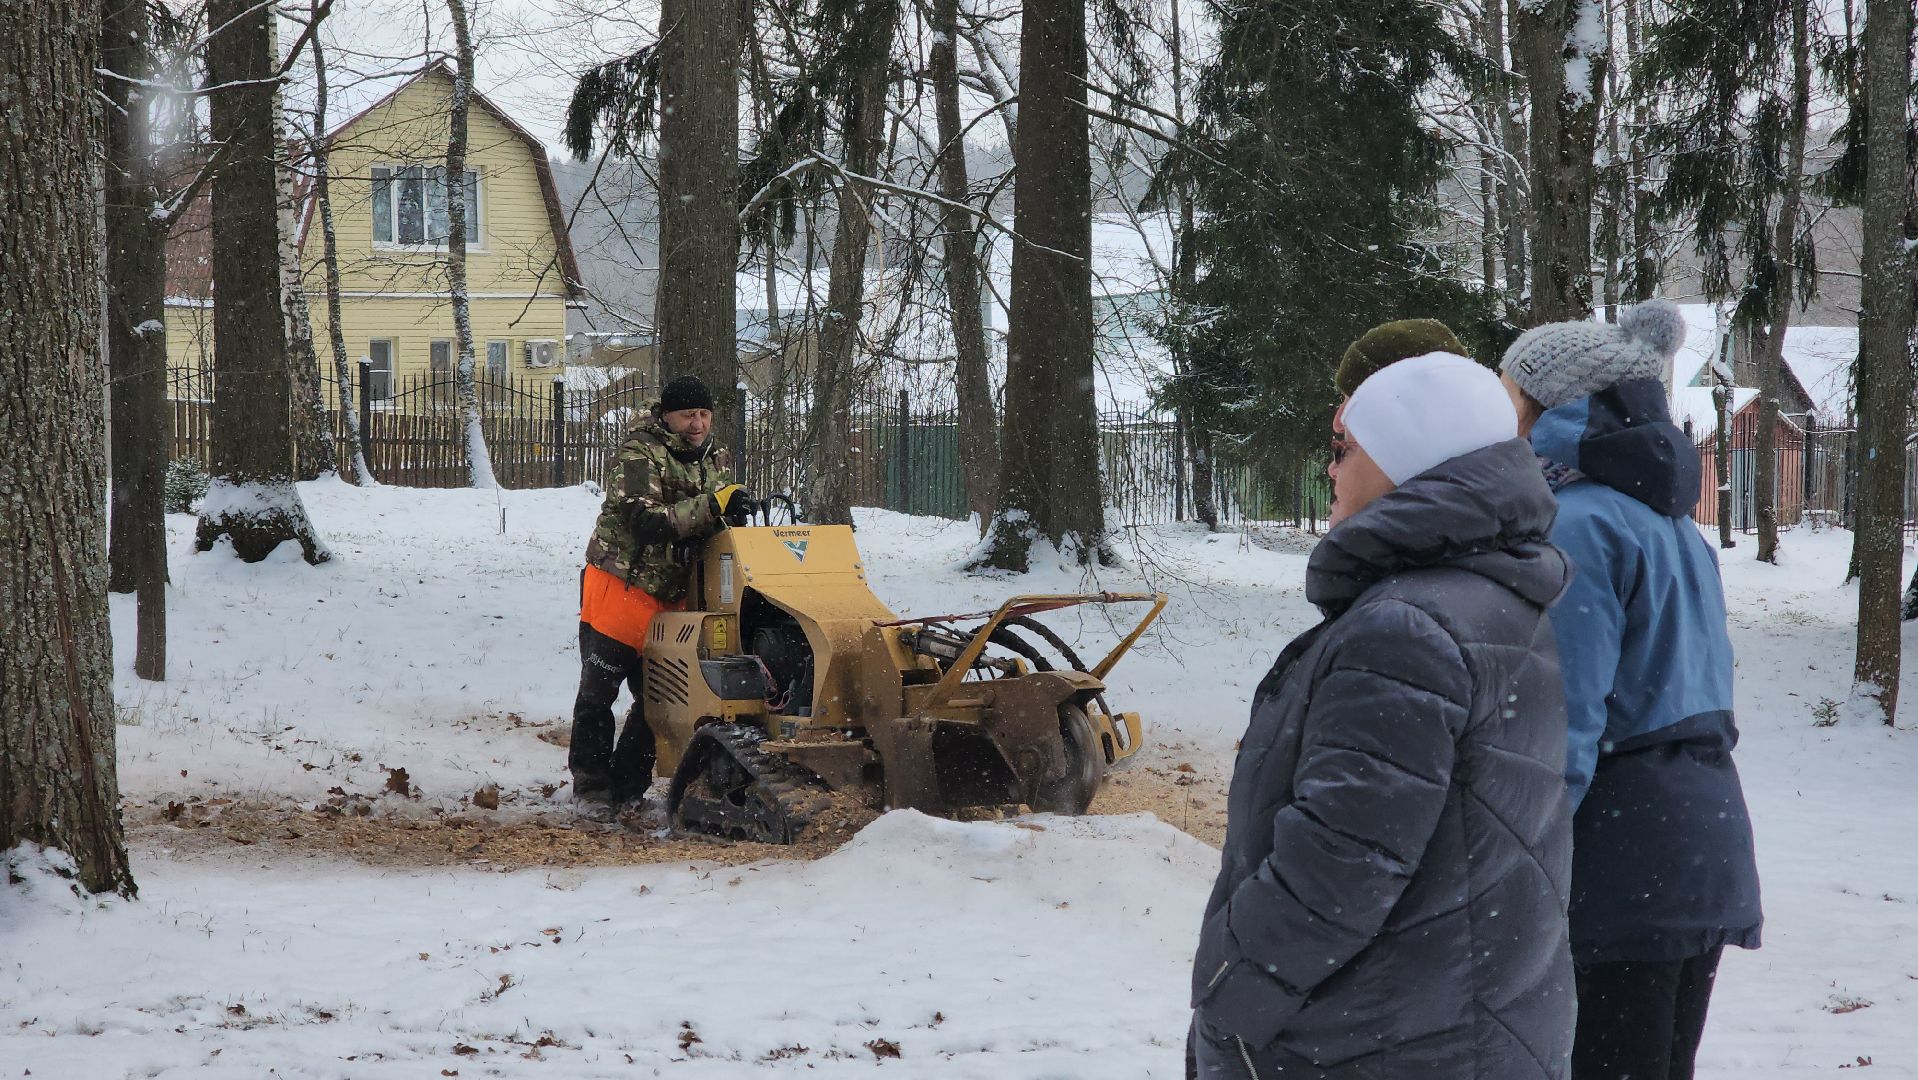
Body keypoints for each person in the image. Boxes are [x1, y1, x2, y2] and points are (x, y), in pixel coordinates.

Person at [1191, 352, 1575, 1080]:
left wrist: (1229, 992)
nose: (1331, 472)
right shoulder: (1487, 594)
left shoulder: (1404, 630)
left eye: (1347, 451)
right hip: (1456, 1021)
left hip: (1370, 1040)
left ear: (1407, 460)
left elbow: (1342, 864)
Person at [1498, 300, 1761, 1080]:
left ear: (1555, 407)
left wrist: (1516, 861)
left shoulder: (1576, 526)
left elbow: (1565, 727)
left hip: (1621, 857)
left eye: (1506, 393)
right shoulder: (1671, 522)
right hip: (1698, 840)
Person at [572, 375, 753, 813]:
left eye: (705, 414)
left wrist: (730, 516)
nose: (698, 424)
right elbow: (643, 521)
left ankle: (627, 787)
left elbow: (714, 519)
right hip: (622, 586)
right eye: (688, 415)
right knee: (599, 692)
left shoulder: (715, 458)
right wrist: (711, 506)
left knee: (660, 697)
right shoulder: (638, 454)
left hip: (674, 594)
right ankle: (592, 788)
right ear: (667, 416)